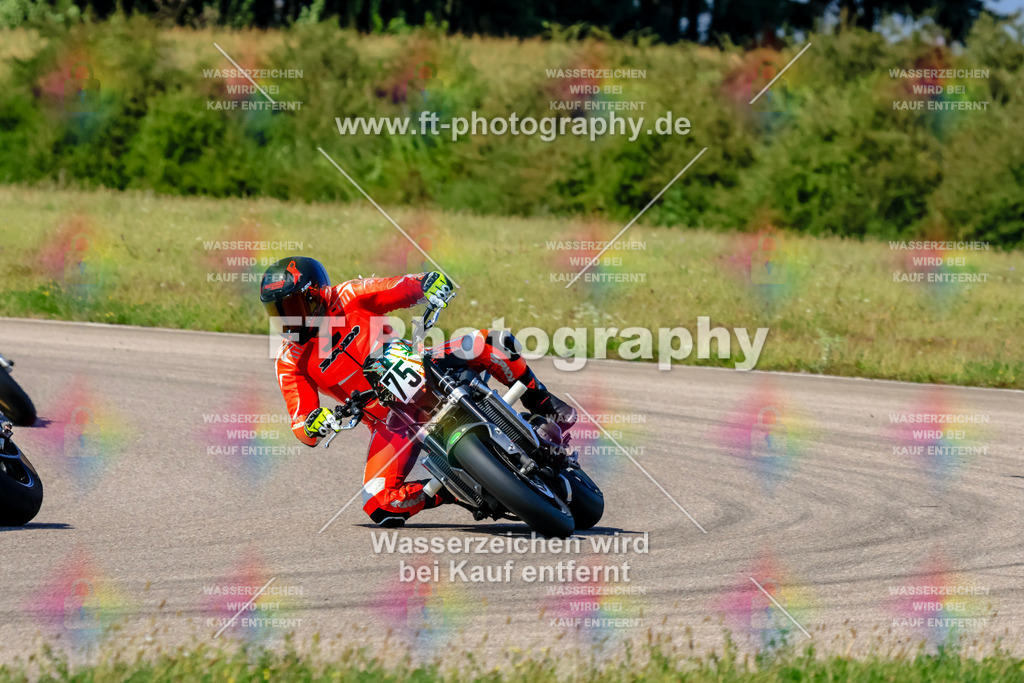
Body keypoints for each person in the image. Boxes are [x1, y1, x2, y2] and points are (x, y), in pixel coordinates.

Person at [260, 257, 577, 527]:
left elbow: (397, 287)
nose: (287, 320)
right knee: (378, 503)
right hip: (390, 420)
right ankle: (454, 488)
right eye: (278, 312)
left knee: (488, 342)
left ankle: (543, 402)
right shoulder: (289, 359)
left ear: (316, 294)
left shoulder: (348, 295)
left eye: (293, 306)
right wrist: (316, 423)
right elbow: (301, 422)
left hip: (423, 366)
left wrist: (427, 282)